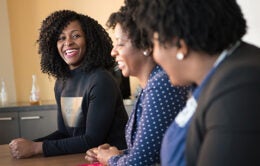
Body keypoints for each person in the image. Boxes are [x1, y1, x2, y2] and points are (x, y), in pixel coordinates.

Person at [135, 0, 260, 165]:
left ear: (180, 46)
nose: (154, 55)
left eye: (155, 44)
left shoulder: (240, 86)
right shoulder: (219, 75)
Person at [9, 10, 128, 159]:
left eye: (76, 36)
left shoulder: (100, 80)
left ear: (89, 40)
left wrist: (35, 148)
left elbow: (92, 139)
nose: (68, 43)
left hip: (111, 160)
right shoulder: (61, 82)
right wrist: (29, 145)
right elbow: (65, 133)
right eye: (61, 38)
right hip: (78, 157)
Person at [85, 1, 190, 165]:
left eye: (120, 43)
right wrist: (117, 153)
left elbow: (140, 163)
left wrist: (111, 159)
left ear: (145, 45)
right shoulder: (151, 84)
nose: (113, 51)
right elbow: (152, 151)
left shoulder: (161, 83)